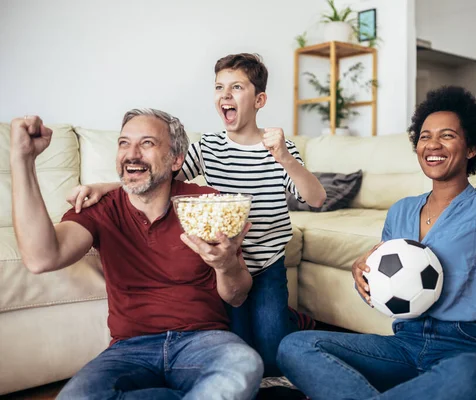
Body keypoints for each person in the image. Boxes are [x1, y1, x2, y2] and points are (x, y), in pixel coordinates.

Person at [276, 53, 476, 400]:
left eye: (447, 136)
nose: (433, 145)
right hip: (405, 345)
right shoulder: (401, 211)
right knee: (295, 345)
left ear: (472, 147)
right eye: (425, 136)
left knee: (474, 376)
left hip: (469, 349)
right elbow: (387, 284)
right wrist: (363, 276)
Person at [67, 53, 327, 377]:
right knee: (244, 349)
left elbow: (316, 199)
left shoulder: (280, 149)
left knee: (273, 359)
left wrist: (285, 158)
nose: (225, 95)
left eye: (236, 87)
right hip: (226, 264)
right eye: (219, 87)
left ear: (260, 99)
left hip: (268, 262)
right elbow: (161, 177)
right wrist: (107, 186)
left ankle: (294, 319)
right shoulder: (207, 147)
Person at [10, 108, 264, 400]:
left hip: (203, 341)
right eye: (123, 143)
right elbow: (41, 258)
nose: (131, 154)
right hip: (129, 349)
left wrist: (225, 264)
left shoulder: (207, 205)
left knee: (244, 365)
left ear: (176, 160)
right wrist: (23, 160)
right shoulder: (101, 209)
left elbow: (237, 295)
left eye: (147, 143)